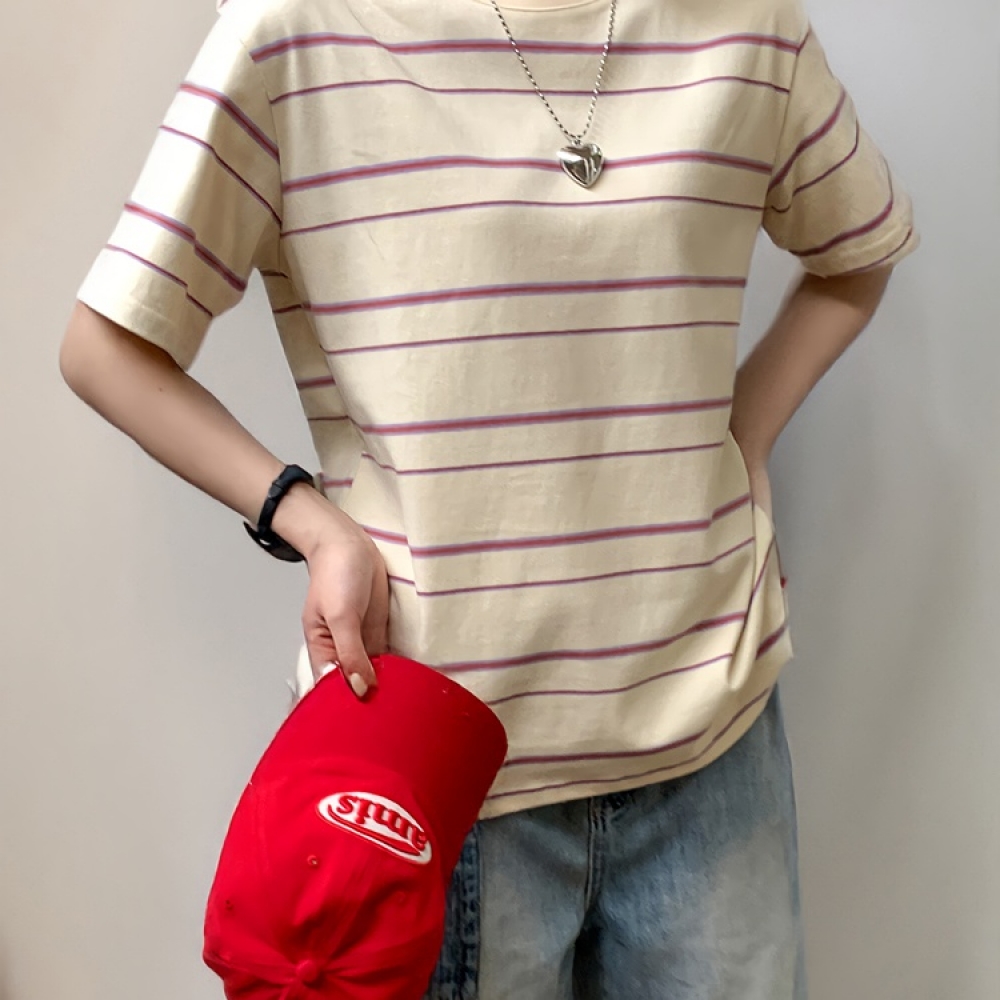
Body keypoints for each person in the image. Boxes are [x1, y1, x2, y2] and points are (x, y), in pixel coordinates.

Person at [59, 0, 917, 995]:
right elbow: (107, 348)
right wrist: (311, 522)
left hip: (712, 742)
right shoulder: (297, 29)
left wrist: (745, 436)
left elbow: (857, 250)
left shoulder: (745, 23)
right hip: (438, 762)